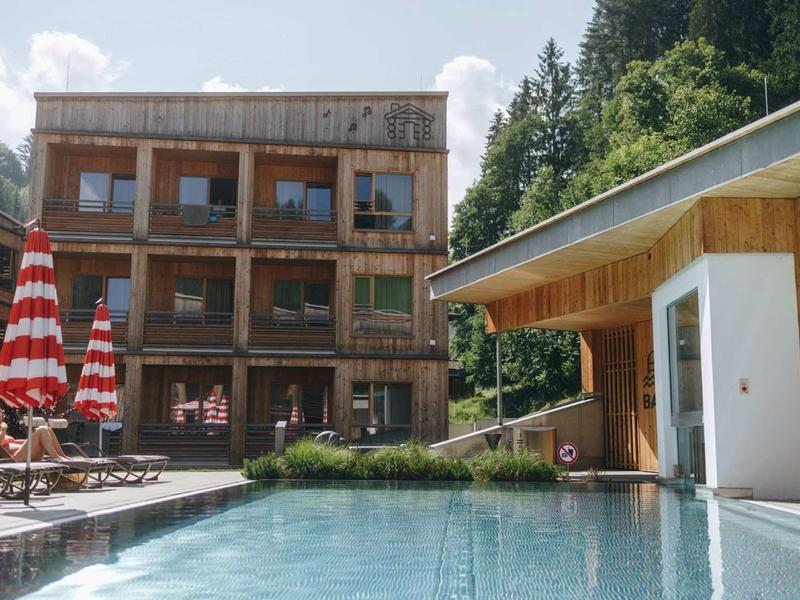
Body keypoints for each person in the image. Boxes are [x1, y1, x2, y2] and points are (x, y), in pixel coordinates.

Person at [0, 409, 70, 461]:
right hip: (15, 458)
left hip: (26, 454)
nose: (1, 413)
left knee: (47, 428)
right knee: (42, 429)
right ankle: (56, 457)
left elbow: (14, 442)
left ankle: (62, 455)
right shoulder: (2, 429)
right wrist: (3, 429)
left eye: (1, 411)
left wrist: (33, 440)